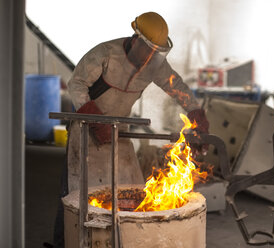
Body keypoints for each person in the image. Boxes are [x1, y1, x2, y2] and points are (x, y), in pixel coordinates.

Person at [52, 11, 209, 248]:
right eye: (147, 49)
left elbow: (177, 86)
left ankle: (125, 240)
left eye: (155, 52)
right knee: (76, 195)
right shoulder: (105, 53)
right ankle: (63, 242)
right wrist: (95, 119)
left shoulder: (155, 64)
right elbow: (77, 83)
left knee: (131, 189)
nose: (149, 57)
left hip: (120, 133)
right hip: (86, 129)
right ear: (135, 38)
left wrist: (196, 112)